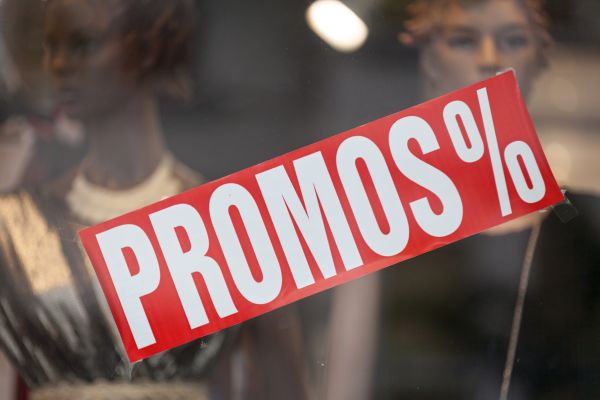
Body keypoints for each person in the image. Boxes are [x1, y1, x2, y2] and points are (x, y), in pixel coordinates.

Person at [0, 0, 307, 399]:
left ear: (144, 50)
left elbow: (284, 386)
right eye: (51, 46)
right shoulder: (20, 223)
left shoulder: (230, 226)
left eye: (83, 44)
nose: (59, 64)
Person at [371, 0, 600, 398]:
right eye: (463, 41)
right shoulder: (389, 203)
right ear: (429, 61)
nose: (490, 59)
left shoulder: (568, 209)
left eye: (513, 40)